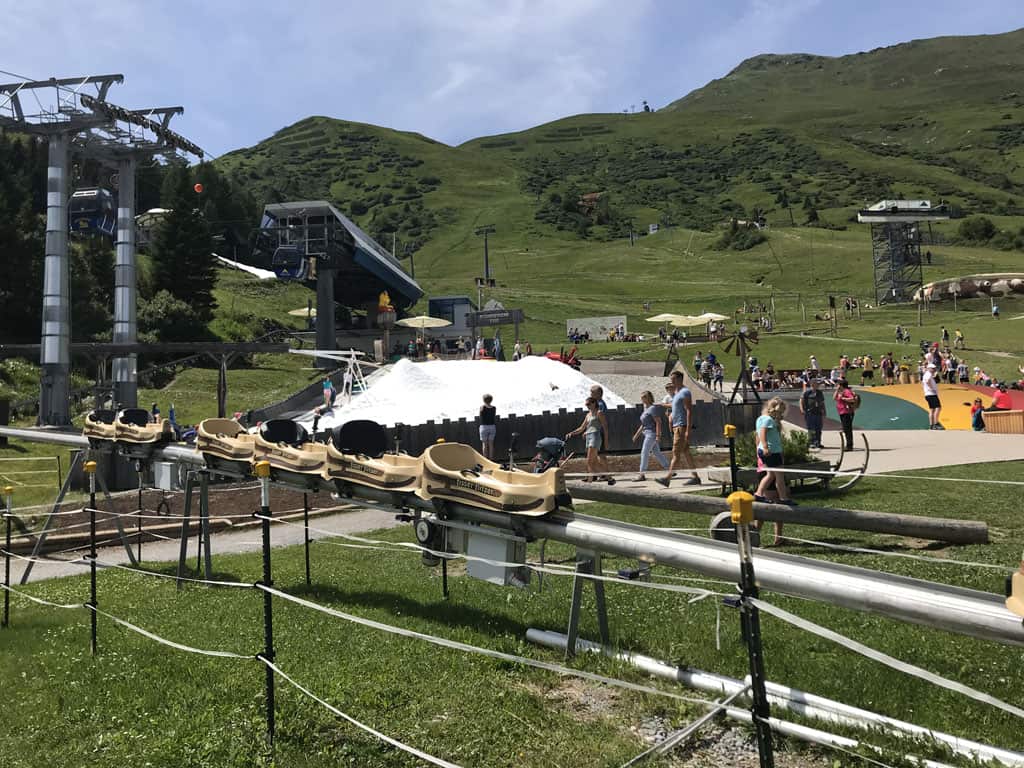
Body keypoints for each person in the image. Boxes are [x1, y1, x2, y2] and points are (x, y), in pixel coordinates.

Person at [753, 398, 796, 542]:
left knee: (775, 481)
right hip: (766, 462)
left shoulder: (766, 421)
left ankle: (779, 536)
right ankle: (755, 535)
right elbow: (761, 438)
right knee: (767, 504)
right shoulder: (766, 421)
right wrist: (765, 448)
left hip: (770, 459)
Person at [656, 370, 701, 487]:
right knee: (686, 452)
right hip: (677, 426)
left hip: (681, 426)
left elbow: (689, 410)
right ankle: (695, 477)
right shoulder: (677, 393)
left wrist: (687, 430)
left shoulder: (685, 392)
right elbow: (676, 407)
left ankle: (667, 478)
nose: (671, 382)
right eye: (671, 380)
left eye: (674, 379)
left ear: (680, 379)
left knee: (676, 453)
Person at [566, 397, 614, 483]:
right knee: (594, 462)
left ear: (594, 403)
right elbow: (582, 428)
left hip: (595, 436)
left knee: (589, 460)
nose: (587, 406)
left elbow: (605, 427)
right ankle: (609, 477)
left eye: (588, 404)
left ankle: (590, 480)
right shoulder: (588, 415)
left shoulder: (599, 413)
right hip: (588, 436)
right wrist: (572, 433)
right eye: (586, 404)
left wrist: (606, 441)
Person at [632, 391, 669, 481]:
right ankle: (669, 469)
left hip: (651, 434)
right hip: (647, 433)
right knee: (657, 453)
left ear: (647, 398)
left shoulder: (652, 408)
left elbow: (658, 422)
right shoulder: (646, 409)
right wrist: (637, 434)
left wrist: (658, 435)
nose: (641, 399)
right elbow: (643, 424)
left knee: (644, 453)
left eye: (643, 397)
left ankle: (642, 474)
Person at [800, 377, 825, 449]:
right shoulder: (807, 392)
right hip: (809, 412)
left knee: (818, 428)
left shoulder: (820, 392)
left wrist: (824, 411)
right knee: (811, 428)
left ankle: (818, 442)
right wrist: (802, 409)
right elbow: (801, 401)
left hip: (818, 412)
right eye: (816, 383)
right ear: (812, 384)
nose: (818, 385)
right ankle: (811, 442)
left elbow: (822, 402)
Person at [834, 379, 858, 450]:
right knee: (845, 429)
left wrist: (843, 398)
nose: (837, 385)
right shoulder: (841, 391)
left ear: (841, 385)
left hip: (847, 412)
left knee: (847, 429)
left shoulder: (847, 391)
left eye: (838, 384)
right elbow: (834, 398)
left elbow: (852, 399)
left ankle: (849, 445)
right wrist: (837, 390)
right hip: (842, 412)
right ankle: (848, 444)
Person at [922, 362, 942, 430]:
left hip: (928, 394)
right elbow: (927, 381)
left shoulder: (927, 374)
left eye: (934, 368)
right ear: (929, 368)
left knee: (932, 409)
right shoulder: (928, 374)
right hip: (931, 394)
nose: (934, 369)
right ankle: (936, 423)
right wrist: (931, 389)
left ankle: (931, 425)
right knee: (938, 407)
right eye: (932, 368)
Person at [478, 394, 497, 459]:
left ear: (483, 400)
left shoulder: (482, 407)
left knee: (484, 445)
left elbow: (480, 415)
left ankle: (486, 460)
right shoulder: (494, 408)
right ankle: (491, 459)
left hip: (484, 427)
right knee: (491, 444)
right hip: (492, 427)